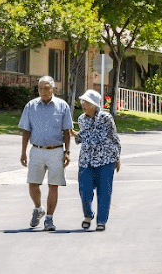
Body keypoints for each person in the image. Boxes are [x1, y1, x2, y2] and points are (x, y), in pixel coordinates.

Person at [17, 76, 74, 232]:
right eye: (40, 88)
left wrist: (67, 152)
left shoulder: (62, 106)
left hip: (55, 150)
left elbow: (67, 131)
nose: (43, 91)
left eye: (46, 88)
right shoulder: (30, 106)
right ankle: (38, 208)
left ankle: (49, 219)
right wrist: (23, 152)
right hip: (36, 150)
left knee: (53, 185)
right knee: (33, 183)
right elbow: (26, 130)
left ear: (53, 89)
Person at [75, 88, 123, 231]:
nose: (84, 105)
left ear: (95, 105)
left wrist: (117, 157)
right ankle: (88, 215)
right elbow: (83, 137)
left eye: (87, 103)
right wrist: (77, 136)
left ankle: (101, 221)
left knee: (104, 192)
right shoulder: (81, 119)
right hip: (86, 160)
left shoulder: (106, 118)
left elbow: (106, 137)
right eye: (83, 102)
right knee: (84, 189)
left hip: (106, 160)